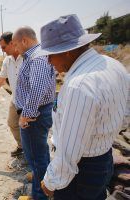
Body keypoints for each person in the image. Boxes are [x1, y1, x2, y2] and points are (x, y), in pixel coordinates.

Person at [36, 14, 129, 200]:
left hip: (81, 173)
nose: (48, 62)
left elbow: (70, 153)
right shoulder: (114, 65)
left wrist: (50, 181)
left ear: (67, 51)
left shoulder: (79, 86)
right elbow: (126, 113)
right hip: (104, 158)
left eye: (50, 55)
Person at [12, 26, 56, 200]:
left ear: (24, 40)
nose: (15, 48)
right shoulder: (36, 54)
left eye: (16, 44)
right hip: (39, 111)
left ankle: (39, 195)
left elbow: (37, 89)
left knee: (35, 157)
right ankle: (41, 178)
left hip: (34, 115)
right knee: (40, 151)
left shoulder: (37, 58)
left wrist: (25, 115)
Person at [0, 31, 24, 157]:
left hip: (28, 101)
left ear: (13, 43)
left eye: (4, 47)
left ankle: (32, 153)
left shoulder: (26, 58)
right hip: (15, 100)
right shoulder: (7, 61)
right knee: (12, 123)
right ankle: (21, 146)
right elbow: (0, 79)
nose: (3, 50)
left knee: (29, 129)